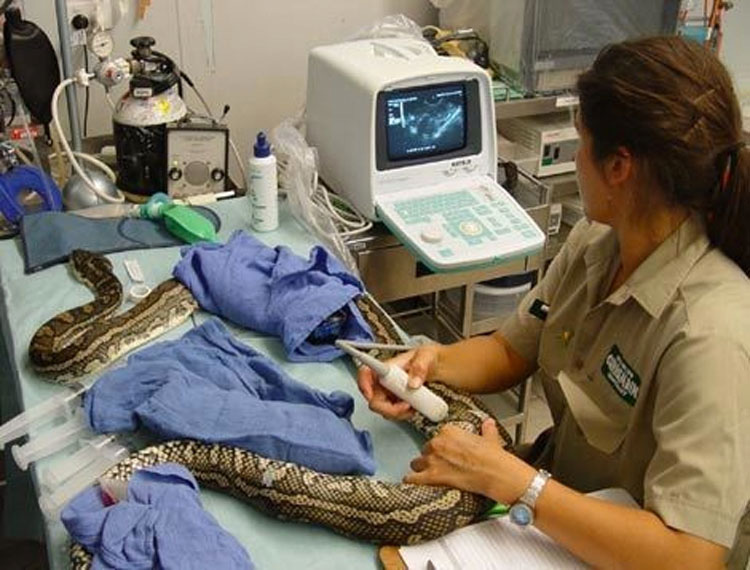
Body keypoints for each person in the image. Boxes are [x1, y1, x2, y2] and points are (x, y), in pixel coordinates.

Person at [358, 36, 750, 570]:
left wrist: (512, 480)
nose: (577, 158)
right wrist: (428, 363)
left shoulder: (710, 334)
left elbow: (690, 555)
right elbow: (510, 350)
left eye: (581, 142)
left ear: (619, 167)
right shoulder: (598, 242)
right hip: (557, 521)